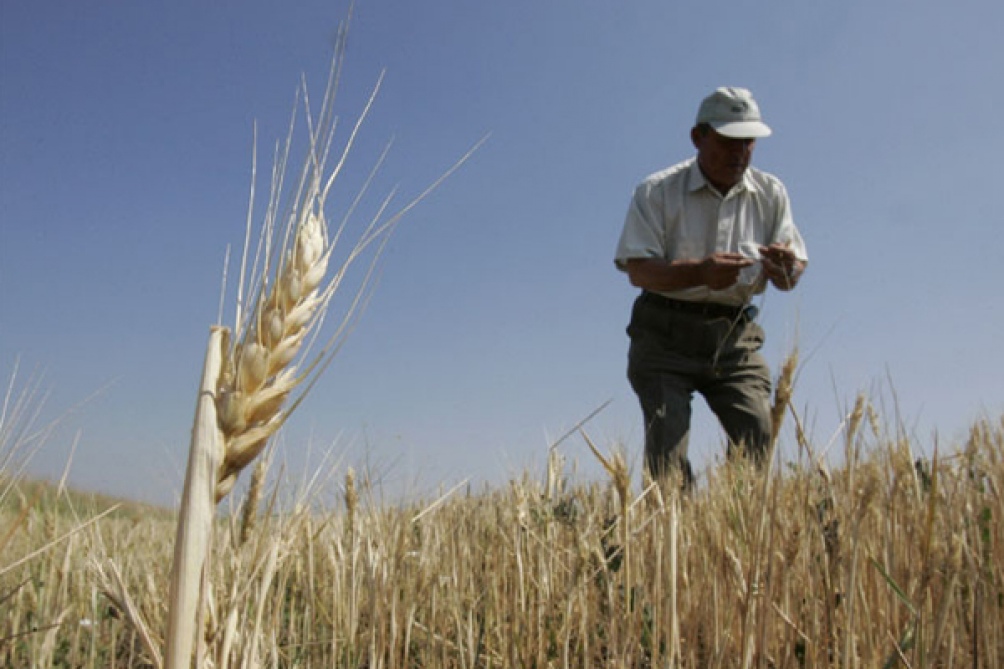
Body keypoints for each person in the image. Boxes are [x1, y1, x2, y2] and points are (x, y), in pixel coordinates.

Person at [614, 86, 807, 487]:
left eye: (748, 141)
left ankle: (740, 537)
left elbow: (791, 276)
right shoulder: (656, 191)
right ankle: (673, 541)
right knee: (667, 459)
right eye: (728, 140)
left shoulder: (771, 194)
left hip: (735, 338)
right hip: (663, 337)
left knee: (758, 437)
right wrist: (700, 272)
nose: (740, 152)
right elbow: (639, 272)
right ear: (698, 137)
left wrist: (786, 270)